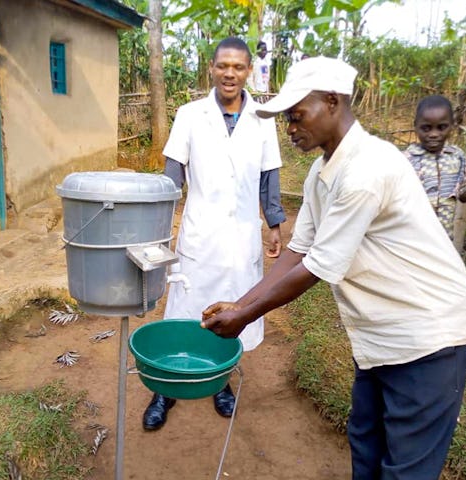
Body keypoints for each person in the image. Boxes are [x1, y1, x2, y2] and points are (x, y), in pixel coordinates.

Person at [201, 56, 466, 479]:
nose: (291, 129)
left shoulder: (368, 169)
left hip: (429, 334)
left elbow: (318, 266)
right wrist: (238, 303)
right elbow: (298, 251)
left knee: (407, 466)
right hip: (382, 334)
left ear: (332, 102)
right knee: (366, 443)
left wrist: (245, 315)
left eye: (297, 117)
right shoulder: (321, 172)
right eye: (286, 121)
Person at [142, 37, 286, 431]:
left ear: (247, 71)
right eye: (223, 65)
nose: (230, 74)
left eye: (238, 67)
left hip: (242, 238)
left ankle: (220, 383)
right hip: (200, 235)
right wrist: (158, 230)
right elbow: (173, 177)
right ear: (211, 67)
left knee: (233, 311)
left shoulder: (262, 119)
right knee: (184, 310)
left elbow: (269, 176)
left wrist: (273, 224)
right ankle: (165, 388)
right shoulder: (190, 115)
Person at [404, 94, 466, 239]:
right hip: (411, 240)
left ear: (452, 125)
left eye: (441, 127)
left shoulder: (456, 156)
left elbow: (464, 195)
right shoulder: (405, 160)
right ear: (415, 126)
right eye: (426, 128)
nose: (433, 134)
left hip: (443, 242)